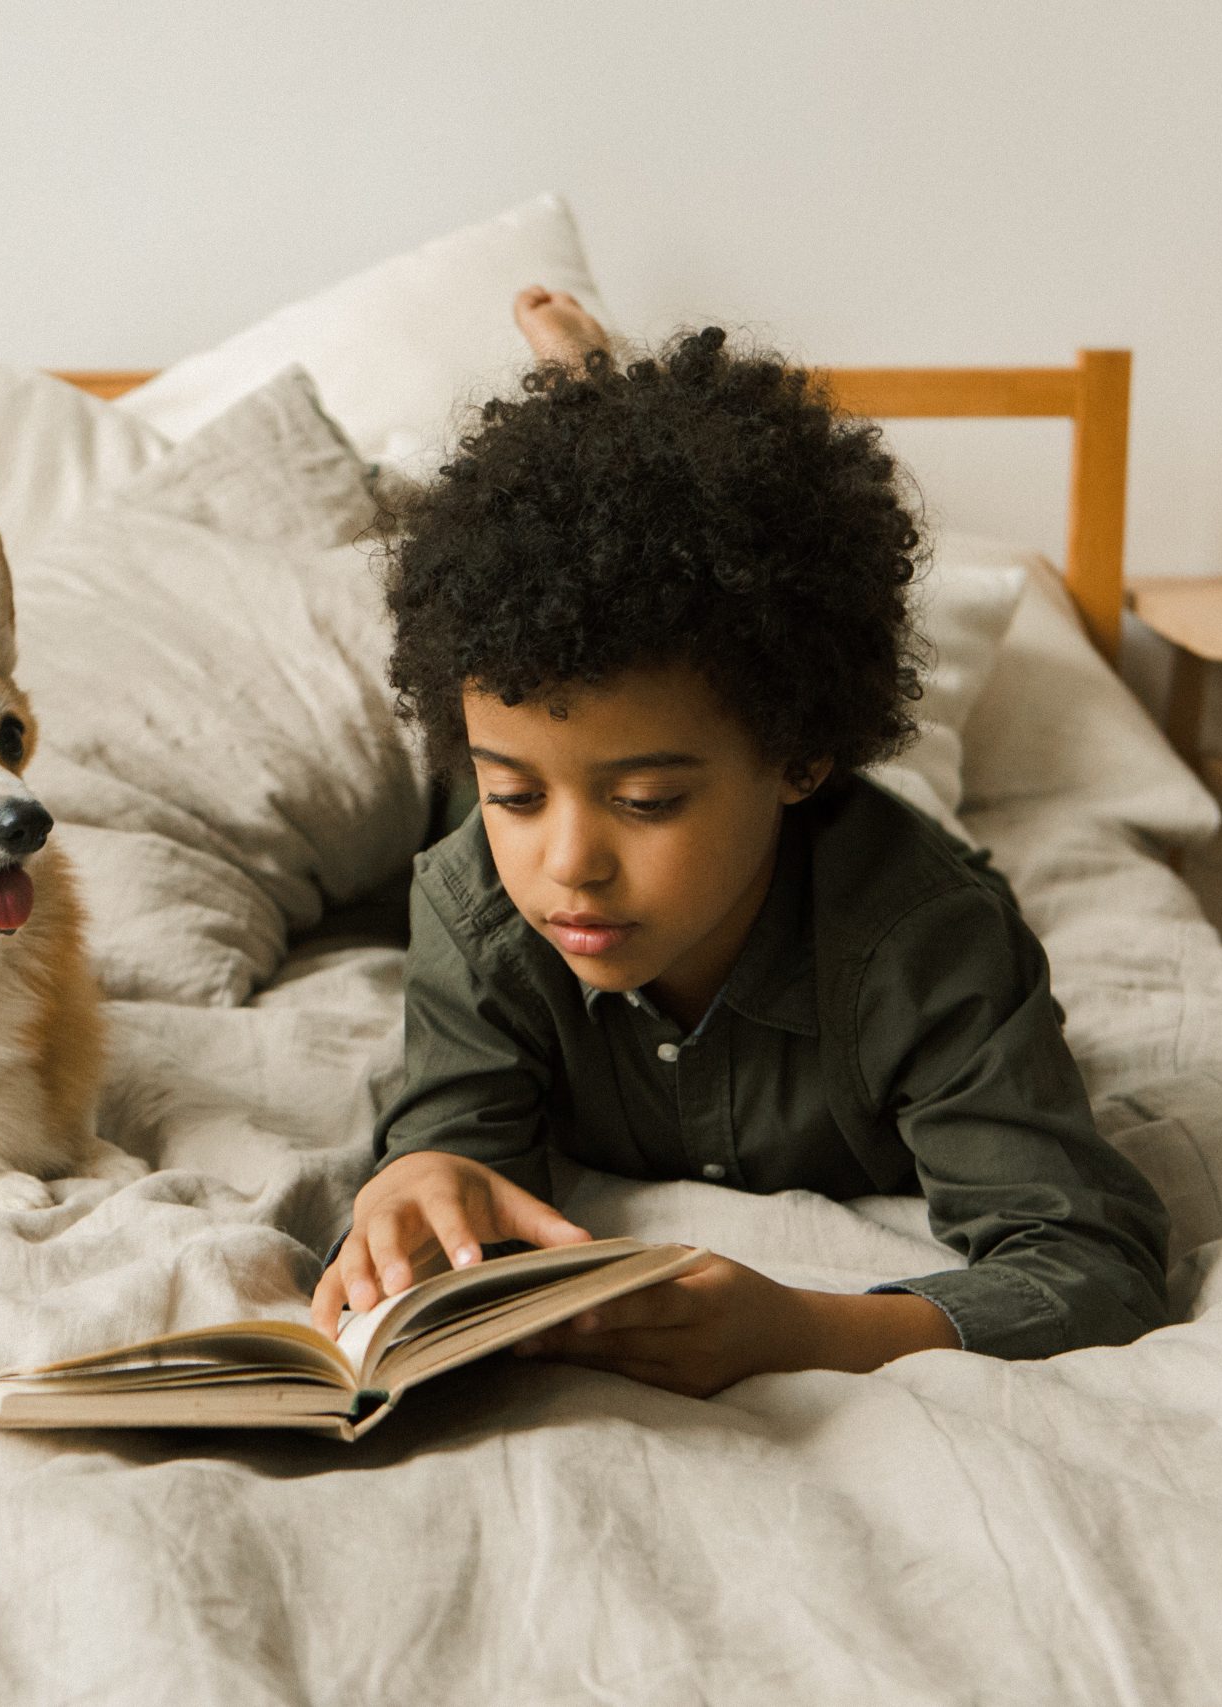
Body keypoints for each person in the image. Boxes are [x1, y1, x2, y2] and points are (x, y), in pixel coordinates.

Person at [308, 291, 1170, 1397]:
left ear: (799, 755)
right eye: (514, 793)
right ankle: (591, 407)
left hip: (850, 853)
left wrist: (806, 1330)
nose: (570, 864)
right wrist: (426, 1174)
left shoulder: (928, 946)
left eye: (650, 801)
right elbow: (455, 1120)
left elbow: (1089, 1265)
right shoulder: (478, 894)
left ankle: (600, 404)